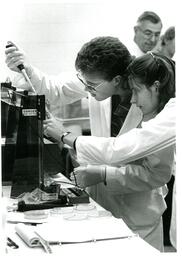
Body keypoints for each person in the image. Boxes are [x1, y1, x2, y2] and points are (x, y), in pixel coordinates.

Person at [44, 52, 175, 251]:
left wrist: (102, 172)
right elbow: (56, 88)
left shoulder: (165, 117)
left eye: (136, 91)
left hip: (139, 217)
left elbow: (127, 155)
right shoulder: (105, 96)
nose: (132, 99)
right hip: (104, 208)